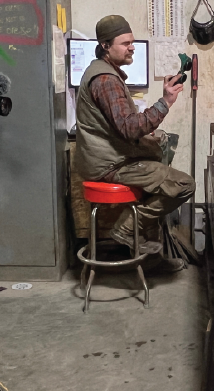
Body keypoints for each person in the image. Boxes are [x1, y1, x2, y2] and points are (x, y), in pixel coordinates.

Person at [75, 15, 195, 268]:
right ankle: (127, 230)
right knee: (183, 184)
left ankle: (150, 257)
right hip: (111, 165)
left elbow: (122, 125)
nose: (131, 47)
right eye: (125, 43)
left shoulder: (104, 72)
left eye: (132, 42)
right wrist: (165, 102)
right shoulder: (106, 80)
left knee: (161, 169)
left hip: (107, 160)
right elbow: (130, 128)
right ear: (106, 46)